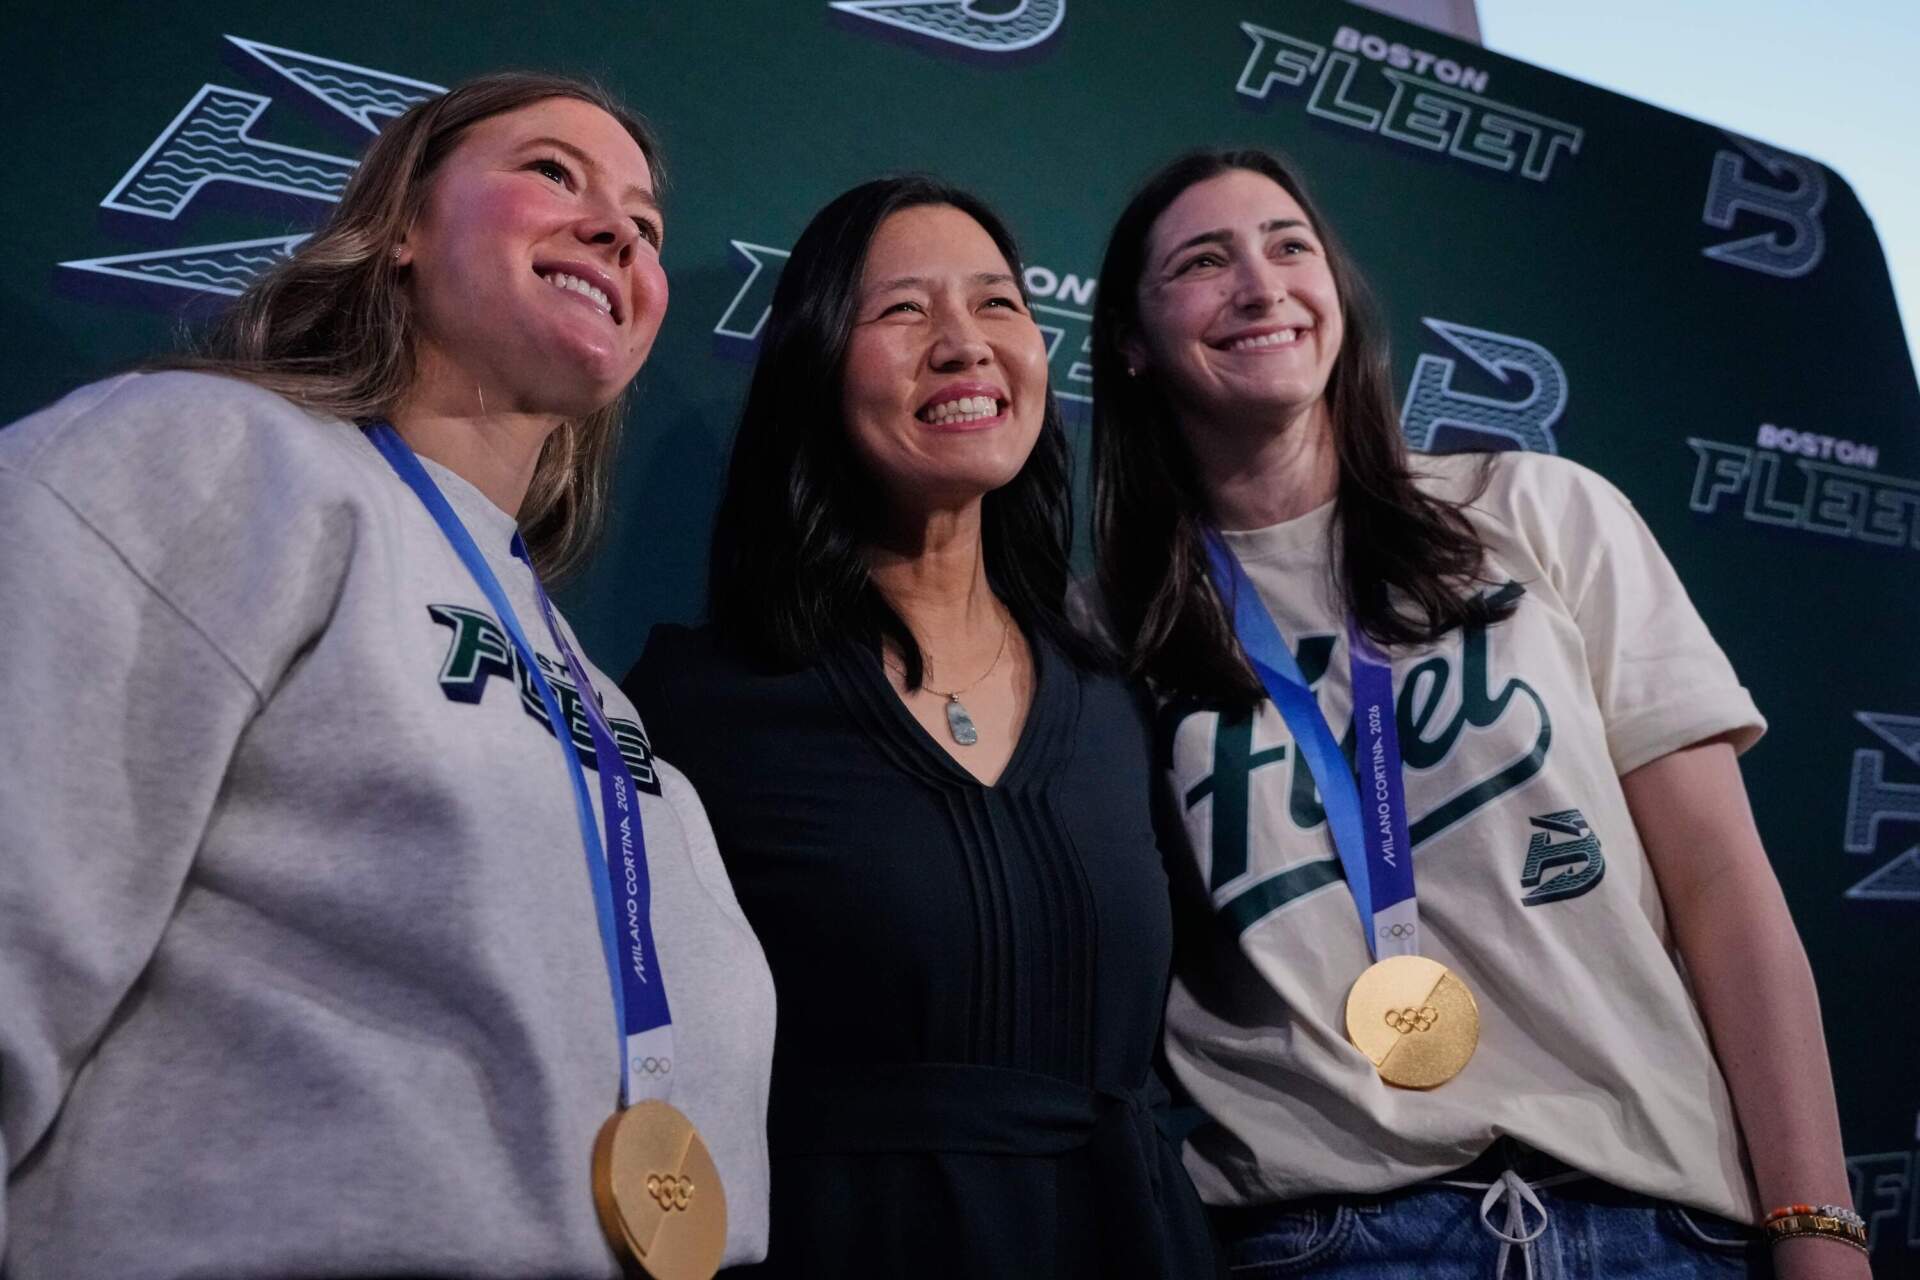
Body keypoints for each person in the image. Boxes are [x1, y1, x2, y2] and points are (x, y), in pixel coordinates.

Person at [0, 74, 774, 1279]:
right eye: (553, 173)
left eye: (648, 223)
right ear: (401, 226)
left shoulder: (593, 686)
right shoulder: (200, 456)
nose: (619, 227)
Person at [1089, 147, 1868, 1280]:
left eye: (1289, 245)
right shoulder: (1106, 634)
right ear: (1130, 341)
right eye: (1205, 262)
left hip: (1656, 1224)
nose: (1261, 284)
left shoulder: (1539, 510)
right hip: (1330, 1239)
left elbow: (1721, 883)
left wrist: (1816, 1222)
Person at [623, 176, 1217, 1279]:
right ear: (813, 366)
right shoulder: (698, 704)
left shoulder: (1113, 702)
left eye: (997, 304)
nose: (963, 345)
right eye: (902, 311)